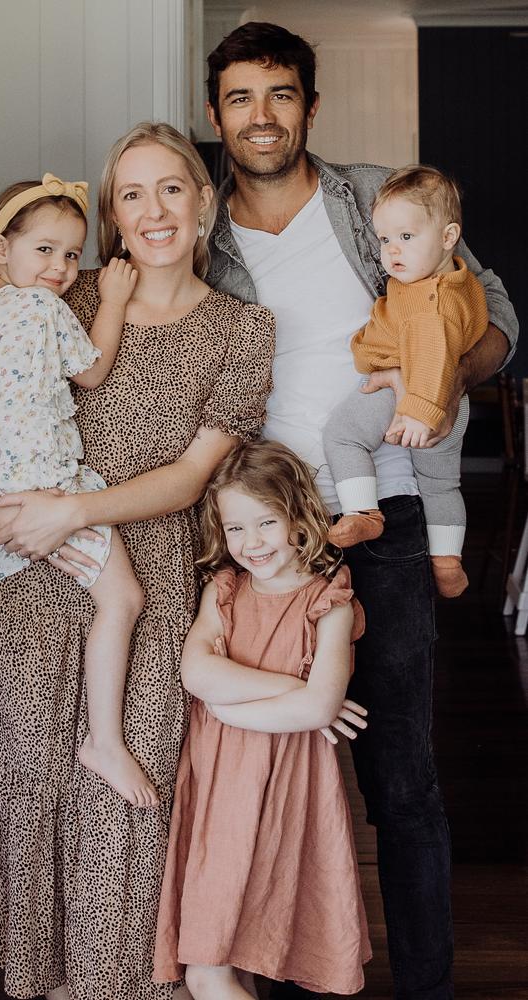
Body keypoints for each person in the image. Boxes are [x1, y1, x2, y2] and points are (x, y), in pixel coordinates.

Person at [0, 122, 275, 1000]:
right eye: (130, 194)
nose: (153, 210)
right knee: (31, 791)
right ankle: (47, 980)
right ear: (110, 215)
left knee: (122, 806)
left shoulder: (241, 330)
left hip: (146, 577)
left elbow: (187, 477)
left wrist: (72, 510)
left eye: (171, 188)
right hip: (20, 574)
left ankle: (115, 982)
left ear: (205, 202)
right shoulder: (58, 285)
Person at [204, 21, 518, 1000]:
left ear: (309, 104)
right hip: (265, 538)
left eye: (281, 93)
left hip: (384, 510)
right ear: (215, 115)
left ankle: (424, 984)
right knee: (280, 776)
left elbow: (496, 318)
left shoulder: (375, 198)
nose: (262, 115)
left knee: (400, 772)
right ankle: (301, 975)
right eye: (241, 97)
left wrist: (431, 390)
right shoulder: (194, 227)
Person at [0, 172, 156, 807]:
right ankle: (105, 741)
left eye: (71, 254)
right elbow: (92, 372)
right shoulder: (39, 307)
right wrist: (111, 297)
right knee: (124, 597)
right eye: (45, 250)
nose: (61, 268)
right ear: (1, 247)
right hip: (49, 488)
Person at [152, 440, 371, 999]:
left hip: (279, 790)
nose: (250, 543)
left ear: (299, 515)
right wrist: (295, 690)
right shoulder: (223, 591)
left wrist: (235, 706)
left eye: (265, 523)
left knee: (210, 967)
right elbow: (199, 675)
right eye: (234, 529)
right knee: (209, 963)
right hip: (216, 788)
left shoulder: (330, 601)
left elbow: (321, 709)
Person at [323, 164, 489, 599]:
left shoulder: (427, 299)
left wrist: (419, 410)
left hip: (415, 396)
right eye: (384, 239)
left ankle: (363, 512)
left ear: (449, 237)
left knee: (343, 435)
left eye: (407, 238)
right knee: (441, 484)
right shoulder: (455, 281)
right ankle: (448, 562)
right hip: (449, 398)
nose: (392, 252)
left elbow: (433, 353)